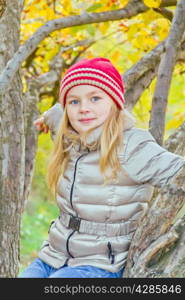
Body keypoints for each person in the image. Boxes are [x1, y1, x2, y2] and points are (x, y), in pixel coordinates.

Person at [19, 57, 185, 278]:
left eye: (95, 98)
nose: (84, 109)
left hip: (103, 263)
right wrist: (46, 117)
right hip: (55, 255)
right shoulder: (70, 138)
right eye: (74, 102)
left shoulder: (132, 146)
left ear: (115, 103)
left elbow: (177, 172)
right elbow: (58, 114)